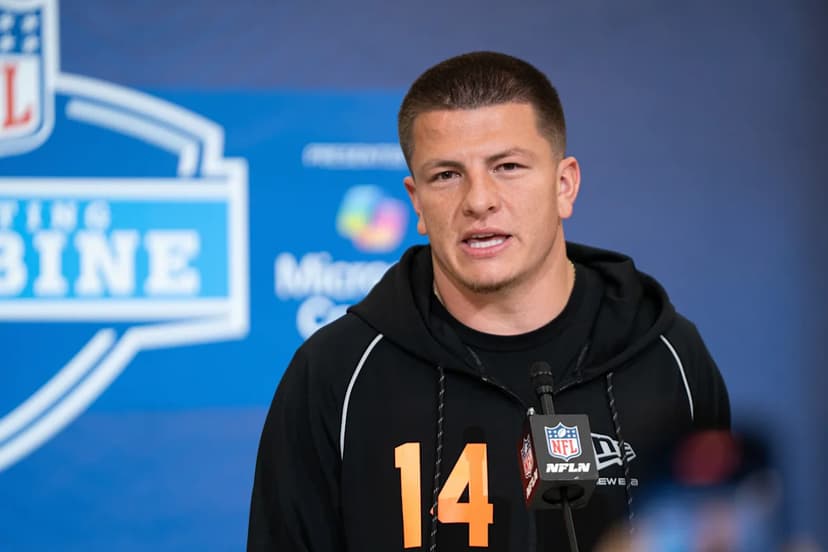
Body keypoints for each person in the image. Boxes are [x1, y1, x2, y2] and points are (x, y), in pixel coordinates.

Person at [247, 51, 730, 551]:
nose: (479, 200)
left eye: (508, 166)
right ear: (416, 202)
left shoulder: (670, 358)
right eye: (446, 175)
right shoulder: (335, 372)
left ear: (564, 185)